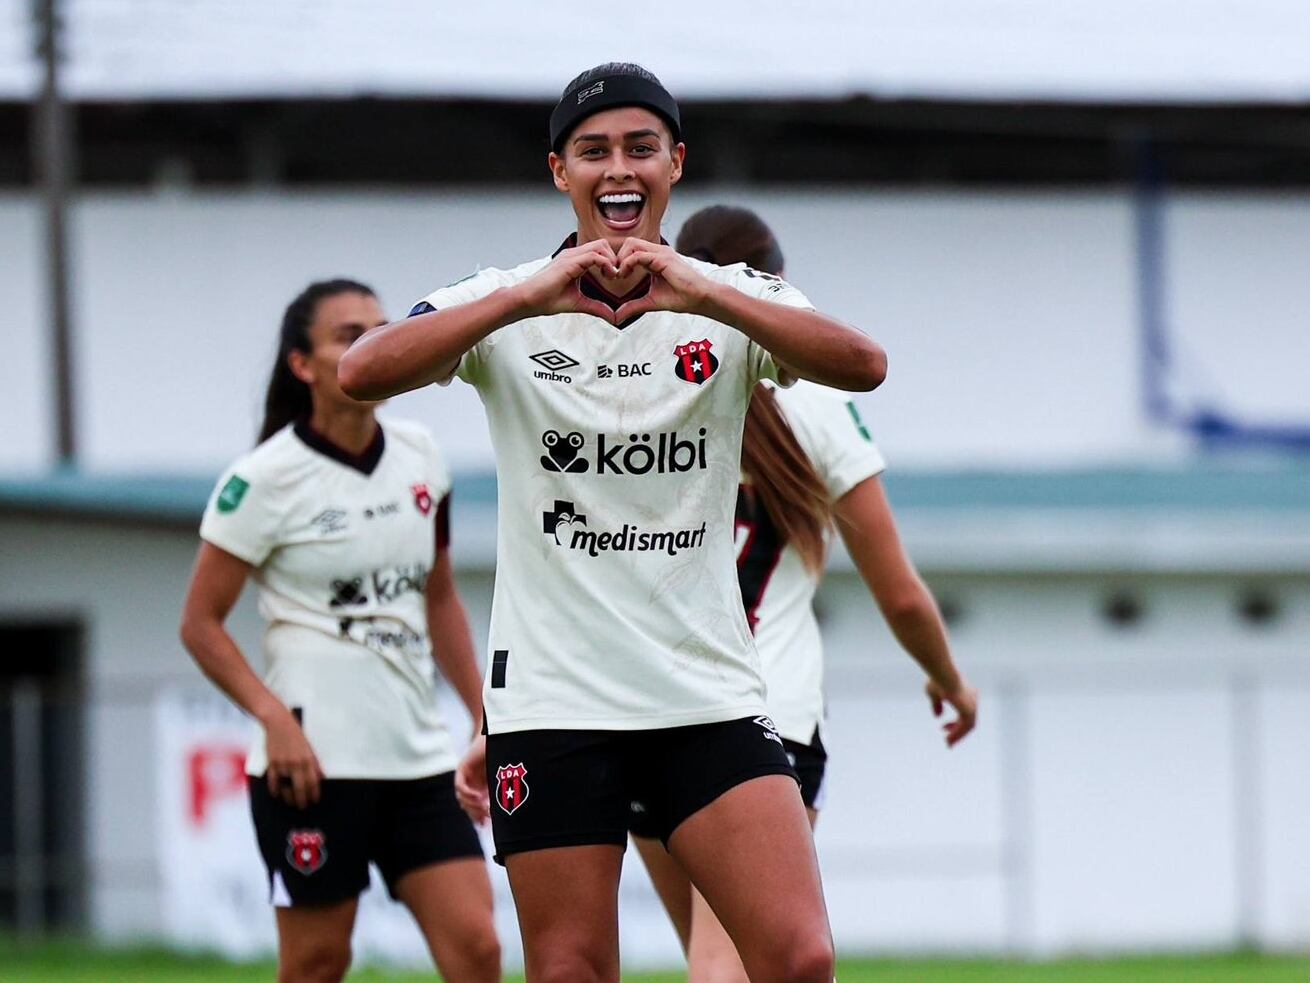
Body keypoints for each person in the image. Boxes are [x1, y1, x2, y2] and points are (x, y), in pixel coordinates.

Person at [338, 63, 886, 983]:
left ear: (676, 163)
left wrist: (705, 293)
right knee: (571, 970)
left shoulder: (728, 294)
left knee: (799, 957)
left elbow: (863, 364)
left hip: (705, 694)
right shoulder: (507, 295)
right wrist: (525, 299)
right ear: (561, 171)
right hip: (554, 703)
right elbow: (362, 370)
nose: (618, 168)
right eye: (593, 151)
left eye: (641, 147)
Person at [626, 205, 979, 981]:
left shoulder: (642, 386)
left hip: (644, 705)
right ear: (776, 284)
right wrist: (950, 679)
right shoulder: (815, 398)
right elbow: (901, 593)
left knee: (717, 955)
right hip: (760, 711)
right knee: (735, 963)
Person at [179, 279, 501, 983]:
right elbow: (200, 625)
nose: (372, 343)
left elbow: (439, 596)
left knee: (478, 950)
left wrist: (485, 712)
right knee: (319, 963)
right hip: (314, 768)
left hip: (418, 762)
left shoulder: (421, 454)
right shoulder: (262, 479)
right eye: (349, 334)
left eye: (380, 328)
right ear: (302, 364)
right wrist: (274, 721)